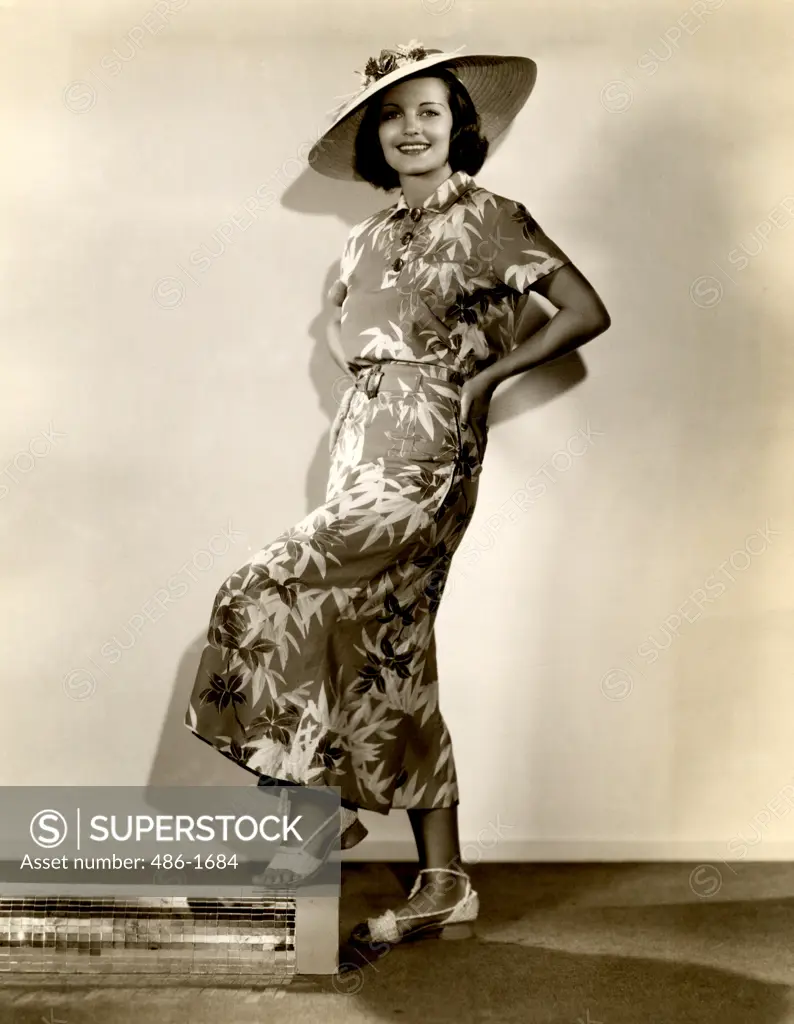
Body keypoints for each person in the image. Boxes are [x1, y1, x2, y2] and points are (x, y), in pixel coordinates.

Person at [184, 41, 610, 958]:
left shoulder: (495, 219)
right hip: (359, 442)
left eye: (428, 110)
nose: (410, 128)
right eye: (391, 114)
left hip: (429, 450)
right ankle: (445, 883)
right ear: (376, 136)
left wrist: (487, 375)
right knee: (391, 649)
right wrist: (361, 361)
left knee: (264, 584)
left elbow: (585, 312)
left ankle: (303, 816)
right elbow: (344, 326)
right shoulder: (366, 236)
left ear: (460, 124)